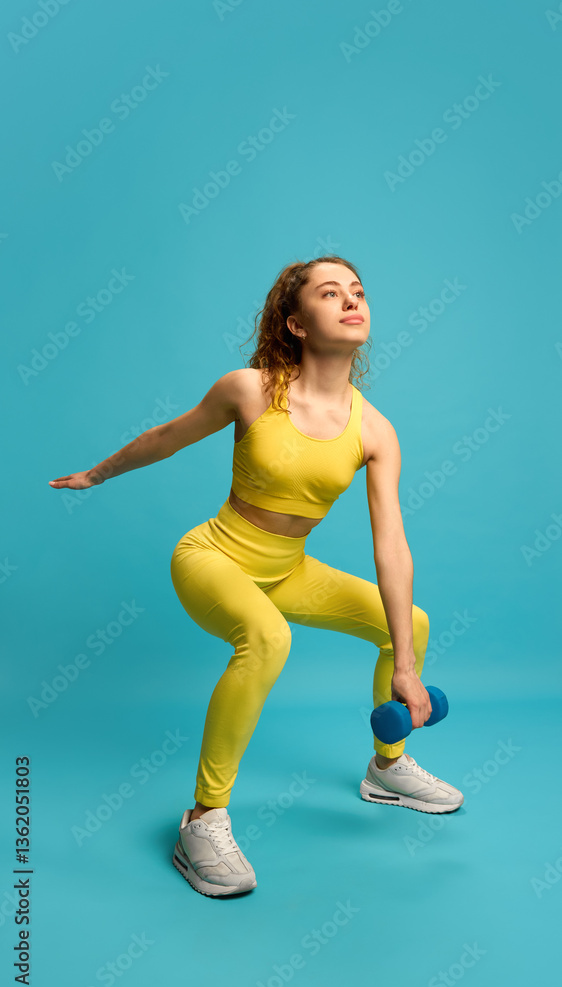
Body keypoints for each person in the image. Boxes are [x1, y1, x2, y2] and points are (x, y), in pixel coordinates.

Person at [49, 254, 463, 899]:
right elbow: (166, 437)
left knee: (409, 622)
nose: (353, 301)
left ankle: (387, 768)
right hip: (214, 557)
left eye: (358, 292)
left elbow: (392, 545)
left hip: (289, 571)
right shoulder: (250, 389)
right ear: (296, 324)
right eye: (331, 294)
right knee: (267, 639)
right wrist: (97, 474)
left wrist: (405, 665)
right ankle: (202, 818)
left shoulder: (375, 430)